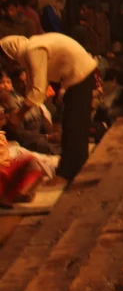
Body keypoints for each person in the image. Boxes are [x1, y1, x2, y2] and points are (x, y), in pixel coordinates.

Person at [0, 34, 97, 183]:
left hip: (79, 75)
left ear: (11, 54)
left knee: (73, 125)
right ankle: (76, 165)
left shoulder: (33, 50)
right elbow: (34, 89)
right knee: (74, 124)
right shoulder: (30, 52)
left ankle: (67, 173)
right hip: (74, 77)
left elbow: (38, 90)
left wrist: (19, 114)